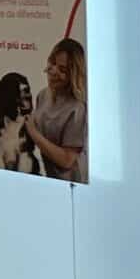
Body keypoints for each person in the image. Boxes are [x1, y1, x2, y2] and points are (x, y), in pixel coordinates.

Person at [24, 37, 88, 182]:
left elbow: (67, 160)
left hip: (72, 183)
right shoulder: (42, 95)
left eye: (62, 69)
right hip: (50, 178)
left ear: (73, 74)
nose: (53, 71)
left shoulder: (77, 108)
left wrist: (33, 133)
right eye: (52, 64)